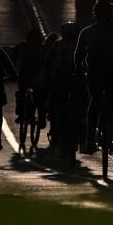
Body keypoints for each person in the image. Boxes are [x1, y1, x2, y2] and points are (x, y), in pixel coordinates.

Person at [74, 0, 113, 154]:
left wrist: (79, 70)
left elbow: (78, 55)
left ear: (95, 14)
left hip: (95, 74)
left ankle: (90, 138)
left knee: (95, 101)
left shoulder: (87, 32)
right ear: (111, 14)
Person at [44, 22, 86, 160]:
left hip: (61, 81)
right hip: (77, 81)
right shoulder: (80, 45)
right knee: (82, 106)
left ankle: (57, 133)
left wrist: (46, 79)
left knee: (57, 109)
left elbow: (48, 63)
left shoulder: (58, 45)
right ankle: (83, 132)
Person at [11, 28, 45, 127]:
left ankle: (21, 115)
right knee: (40, 97)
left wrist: (12, 73)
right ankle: (42, 118)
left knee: (21, 94)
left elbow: (13, 59)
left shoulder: (21, 45)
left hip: (24, 73)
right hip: (38, 75)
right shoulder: (42, 47)